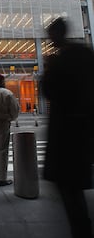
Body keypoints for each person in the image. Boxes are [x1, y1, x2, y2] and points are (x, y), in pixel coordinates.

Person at [41, 17, 94, 238]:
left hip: (65, 133)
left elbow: (48, 90)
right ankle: (82, 226)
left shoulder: (60, 60)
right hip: (84, 130)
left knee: (69, 187)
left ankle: (81, 229)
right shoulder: (86, 53)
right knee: (75, 185)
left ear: (55, 35)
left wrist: (47, 67)